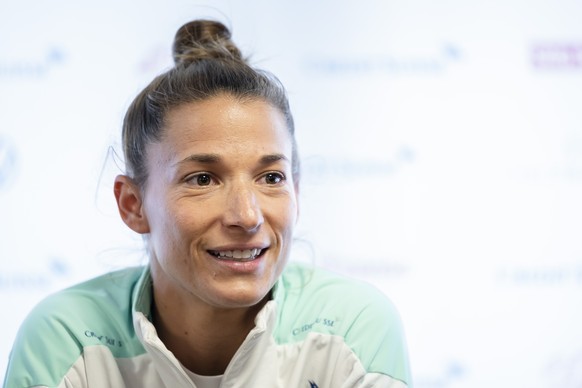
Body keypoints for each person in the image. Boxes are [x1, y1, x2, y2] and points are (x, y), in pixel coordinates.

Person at [3, 19, 411, 388]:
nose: (247, 216)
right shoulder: (66, 337)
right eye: (202, 179)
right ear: (133, 205)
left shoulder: (353, 325)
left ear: (296, 193)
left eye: (271, 178)